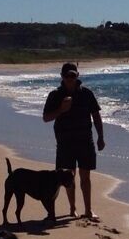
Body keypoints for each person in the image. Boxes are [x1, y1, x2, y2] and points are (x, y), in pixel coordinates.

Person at [42, 61, 104, 220]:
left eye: (73, 75)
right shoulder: (55, 95)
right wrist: (61, 110)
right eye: (67, 76)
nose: (70, 78)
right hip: (65, 141)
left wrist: (101, 137)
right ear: (62, 77)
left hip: (85, 140)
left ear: (78, 76)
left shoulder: (86, 93)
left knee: (86, 177)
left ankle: (88, 210)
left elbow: (96, 116)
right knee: (69, 177)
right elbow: (46, 118)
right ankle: (72, 209)